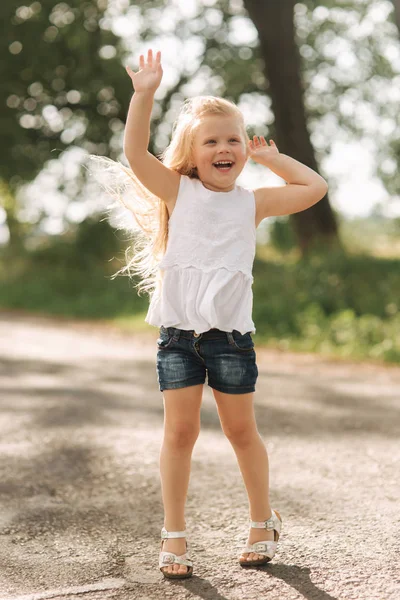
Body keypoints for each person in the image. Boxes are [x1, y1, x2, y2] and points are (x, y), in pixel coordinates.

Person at [120, 48, 328, 579]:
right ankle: (175, 533)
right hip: (178, 337)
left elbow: (314, 188)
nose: (224, 148)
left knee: (240, 432)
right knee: (179, 434)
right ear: (192, 153)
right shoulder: (179, 192)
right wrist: (144, 94)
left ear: (242, 148)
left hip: (230, 338)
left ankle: (263, 521)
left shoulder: (252, 202)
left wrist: (272, 158)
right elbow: (136, 153)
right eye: (211, 140)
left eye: (233, 139)